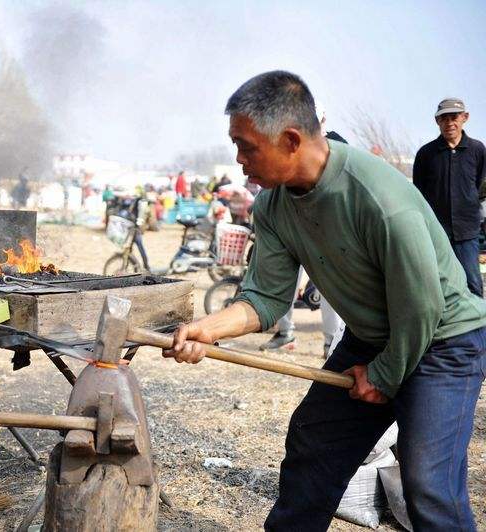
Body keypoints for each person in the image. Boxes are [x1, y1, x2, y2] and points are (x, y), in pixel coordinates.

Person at [164, 71, 486, 531]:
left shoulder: (378, 199)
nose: (239, 161)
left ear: (291, 139)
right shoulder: (272, 206)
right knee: (315, 443)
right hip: (374, 335)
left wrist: (384, 374)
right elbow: (265, 299)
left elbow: (421, 309)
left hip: (443, 341)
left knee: (429, 486)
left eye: (247, 146)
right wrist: (208, 330)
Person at [260, 103, 345, 355]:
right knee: (283, 282)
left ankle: (332, 343)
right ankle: (285, 332)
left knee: (332, 290)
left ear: (323, 121)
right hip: (294, 227)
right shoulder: (287, 145)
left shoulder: (339, 146)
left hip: (328, 230)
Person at [413, 98, 486, 297]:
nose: (449, 123)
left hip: (467, 232)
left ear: (465, 118)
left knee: (472, 283)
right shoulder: (426, 154)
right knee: (437, 285)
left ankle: (479, 327)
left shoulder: (478, 150)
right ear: (437, 122)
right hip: (436, 232)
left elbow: (479, 185)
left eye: (454, 117)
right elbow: (418, 194)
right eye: (443, 118)